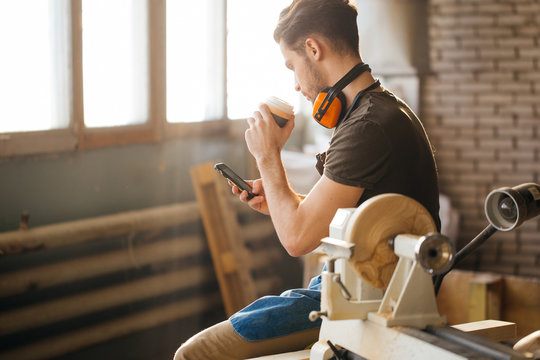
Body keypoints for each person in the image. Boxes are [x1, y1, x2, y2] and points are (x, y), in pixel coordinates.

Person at [174, 0, 440, 358]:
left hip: (360, 297)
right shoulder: (382, 110)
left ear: (313, 49)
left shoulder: (365, 127)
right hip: (359, 285)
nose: (296, 85)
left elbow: (297, 239)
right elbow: (344, 221)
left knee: (194, 352)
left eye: (292, 65)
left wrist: (267, 157)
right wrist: (282, 201)